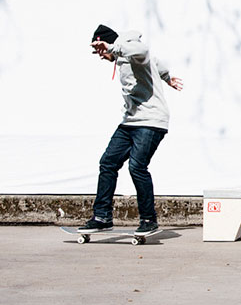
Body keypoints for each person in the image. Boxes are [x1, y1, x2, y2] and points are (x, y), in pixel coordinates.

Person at [79, 24, 184, 235]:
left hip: (151, 121)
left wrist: (112, 47)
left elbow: (143, 52)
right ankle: (102, 216)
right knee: (108, 162)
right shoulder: (123, 58)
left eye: (100, 51)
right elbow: (157, 63)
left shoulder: (130, 51)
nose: (100, 56)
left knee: (137, 166)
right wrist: (167, 78)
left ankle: (148, 219)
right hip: (131, 122)